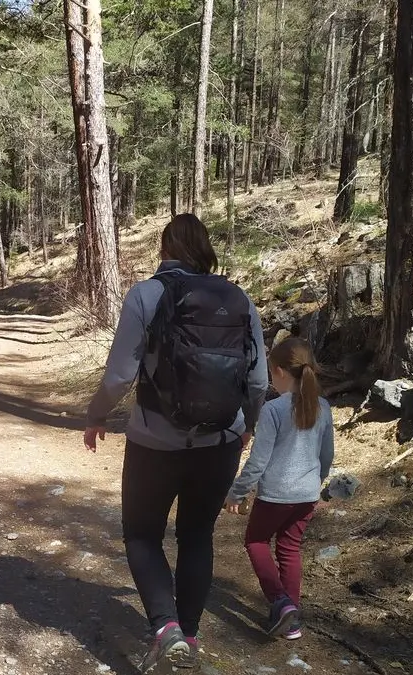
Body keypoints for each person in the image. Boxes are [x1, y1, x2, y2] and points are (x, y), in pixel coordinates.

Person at [83, 214, 268, 672]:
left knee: (143, 534)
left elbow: (121, 375)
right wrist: (246, 425)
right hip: (220, 442)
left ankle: (165, 628)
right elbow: (259, 380)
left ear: (165, 248)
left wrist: (97, 414)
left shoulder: (145, 295)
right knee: (196, 536)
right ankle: (189, 635)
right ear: (205, 249)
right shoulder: (239, 298)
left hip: (154, 443)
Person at [223, 337, 334, 641]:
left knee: (256, 542)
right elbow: (327, 457)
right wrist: (316, 483)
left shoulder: (273, 410)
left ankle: (281, 602)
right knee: (289, 549)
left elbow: (258, 462)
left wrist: (237, 491)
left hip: (275, 495)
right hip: (307, 495)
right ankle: (292, 620)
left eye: (272, 371)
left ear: (281, 372)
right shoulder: (323, 406)